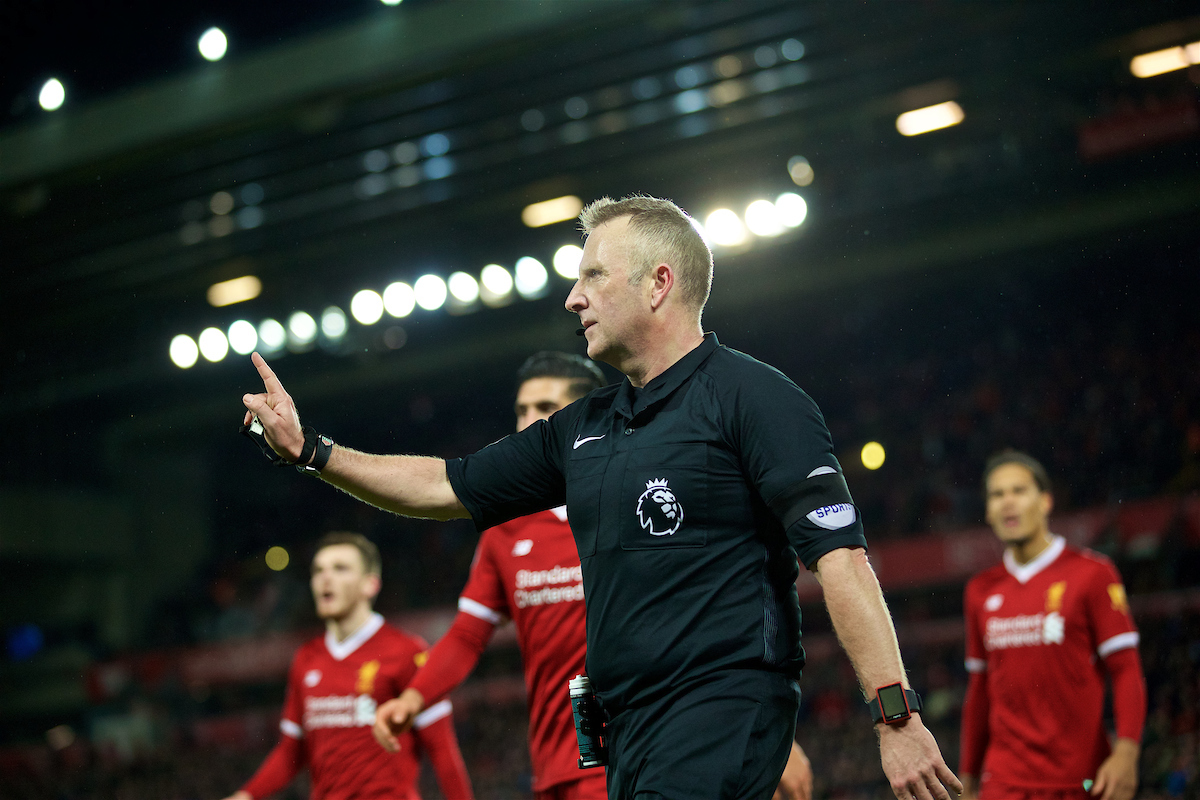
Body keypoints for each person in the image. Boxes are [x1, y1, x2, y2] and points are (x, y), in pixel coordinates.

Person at [241, 194, 958, 800]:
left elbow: (840, 558)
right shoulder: (581, 428)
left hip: (721, 705)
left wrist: (895, 719)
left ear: (658, 283)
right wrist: (313, 451)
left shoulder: (756, 398)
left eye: (592, 275)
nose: (571, 296)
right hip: (628, 729)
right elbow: (444, 485)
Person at [369, 352, 815, 800]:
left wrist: (769, 735)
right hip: (557, 769)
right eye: (521, 410)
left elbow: (714, 625)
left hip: (653, 752)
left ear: (580, 418)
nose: (528, 421)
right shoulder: (505, 533)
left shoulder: (640, 504)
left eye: (544, 409)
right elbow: (468, 635)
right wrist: (413, 699)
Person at [220, 532, 474, 800]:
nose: (325, 578)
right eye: (318, 570)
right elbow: (291, 752)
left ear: (370, 585)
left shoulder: (407, 652)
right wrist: (246, 795)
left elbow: (443, 752)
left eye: (340, 568)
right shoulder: (306, 659)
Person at [960, 451, 1147, 800]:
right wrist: (968, 775)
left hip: (1081, 778)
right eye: (997, 495)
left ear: (1045, 501)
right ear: (988, 511)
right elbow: (980, 689)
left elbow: (1125, 669)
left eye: (1019, 490)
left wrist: (1127, 753)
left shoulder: (1093, 574)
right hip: (1003, 781)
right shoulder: (979, 591)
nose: (1008, 502)